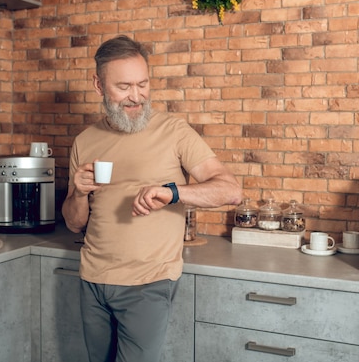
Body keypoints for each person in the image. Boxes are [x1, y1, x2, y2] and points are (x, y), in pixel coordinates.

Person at [61, 35, 243, 362]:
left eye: (143, 84)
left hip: (148, 285)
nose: (136, 97)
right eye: (124, 87)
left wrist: (173, 193)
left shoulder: (174, 132)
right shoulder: (85, 141)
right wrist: (78, 192)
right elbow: (75, 223)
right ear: (99, 85)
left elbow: (230, 190)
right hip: (92, 281)